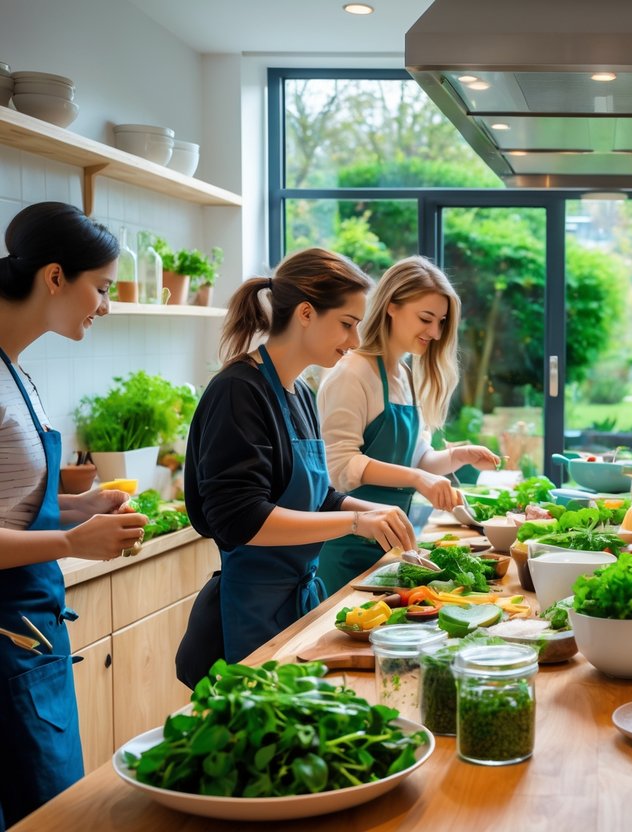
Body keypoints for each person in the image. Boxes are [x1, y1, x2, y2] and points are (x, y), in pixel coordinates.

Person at [180, 248, 416, 685]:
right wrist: (352, 524)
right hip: (248, 614)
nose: (354, 340)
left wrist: (365, 512)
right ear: (306, 313)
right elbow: (240, 519)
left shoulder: (301, 393)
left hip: (298, 603)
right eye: (347, 323)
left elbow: (318, 495)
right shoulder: (237, 391)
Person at [0, 202, 149, 826]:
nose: (106, 304)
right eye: (102, 287)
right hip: (6, 635)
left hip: (33, 632)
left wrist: (80, 507)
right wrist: (72, 541)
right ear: (55, 277)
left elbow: (13, 505)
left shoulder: (20, 374)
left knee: (57, 806)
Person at [317, 256, 498, 591]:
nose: (435, 332)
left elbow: (418, 458)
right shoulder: (352, 373)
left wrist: (459, 456)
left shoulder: (405, 375)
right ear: (391, 307)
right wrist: (418, 479)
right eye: (425, 318)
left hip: (389, 549)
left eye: (441, 322)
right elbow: (340, 465)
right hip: (347, 546)